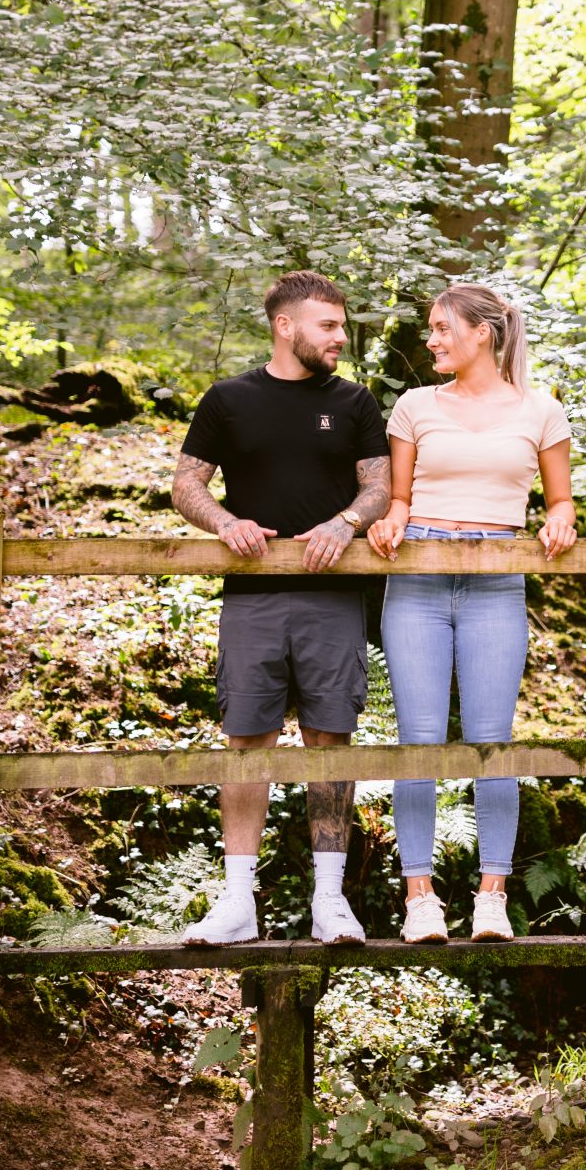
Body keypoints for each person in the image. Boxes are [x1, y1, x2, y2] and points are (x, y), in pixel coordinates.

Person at [169, 270, 391, 947]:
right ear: (284, 325)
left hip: (332, 598)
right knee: (247, 739)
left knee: (330, 738)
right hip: (253, 595)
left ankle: (330, 900)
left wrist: (346, 522)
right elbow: (187, 483)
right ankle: (238, 901)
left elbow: (379, 487)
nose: (340, 337)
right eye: (328, 325)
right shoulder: (230, 399)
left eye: (342, 326)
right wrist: (223, 521)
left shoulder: (354, 402)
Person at [366, 282, 577, 943]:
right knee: (418, 739)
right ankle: (420, 897)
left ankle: (492, 895)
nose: (430, 339)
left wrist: (561, 522)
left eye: (440, 328)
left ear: (481, 332)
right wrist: (390, 520)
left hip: (496, 580)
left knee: (493, 739)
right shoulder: (413, 405)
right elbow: (398, 498)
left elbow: (560, 501)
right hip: (420, 579)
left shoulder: (541, 409)